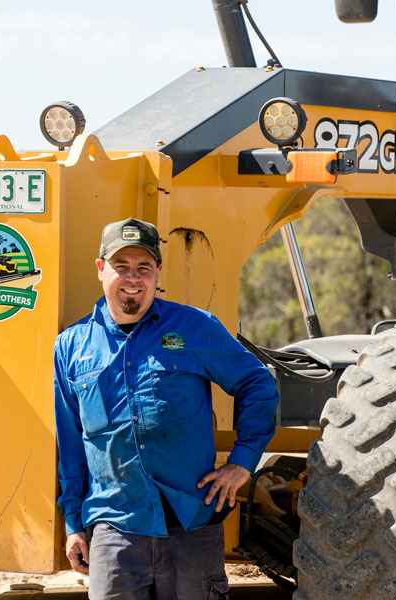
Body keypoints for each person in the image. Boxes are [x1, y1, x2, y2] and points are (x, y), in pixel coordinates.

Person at [53, 217, 279, 600]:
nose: (132, 278)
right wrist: (73, 523)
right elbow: (71, 444)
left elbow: (257, 383)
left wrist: (242, 462)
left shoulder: (195, 328)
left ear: (158, 272)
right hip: (116, 532)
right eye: (121, 266)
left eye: (143, 268)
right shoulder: (71, 347)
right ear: (100, 269)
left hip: (192, 525)